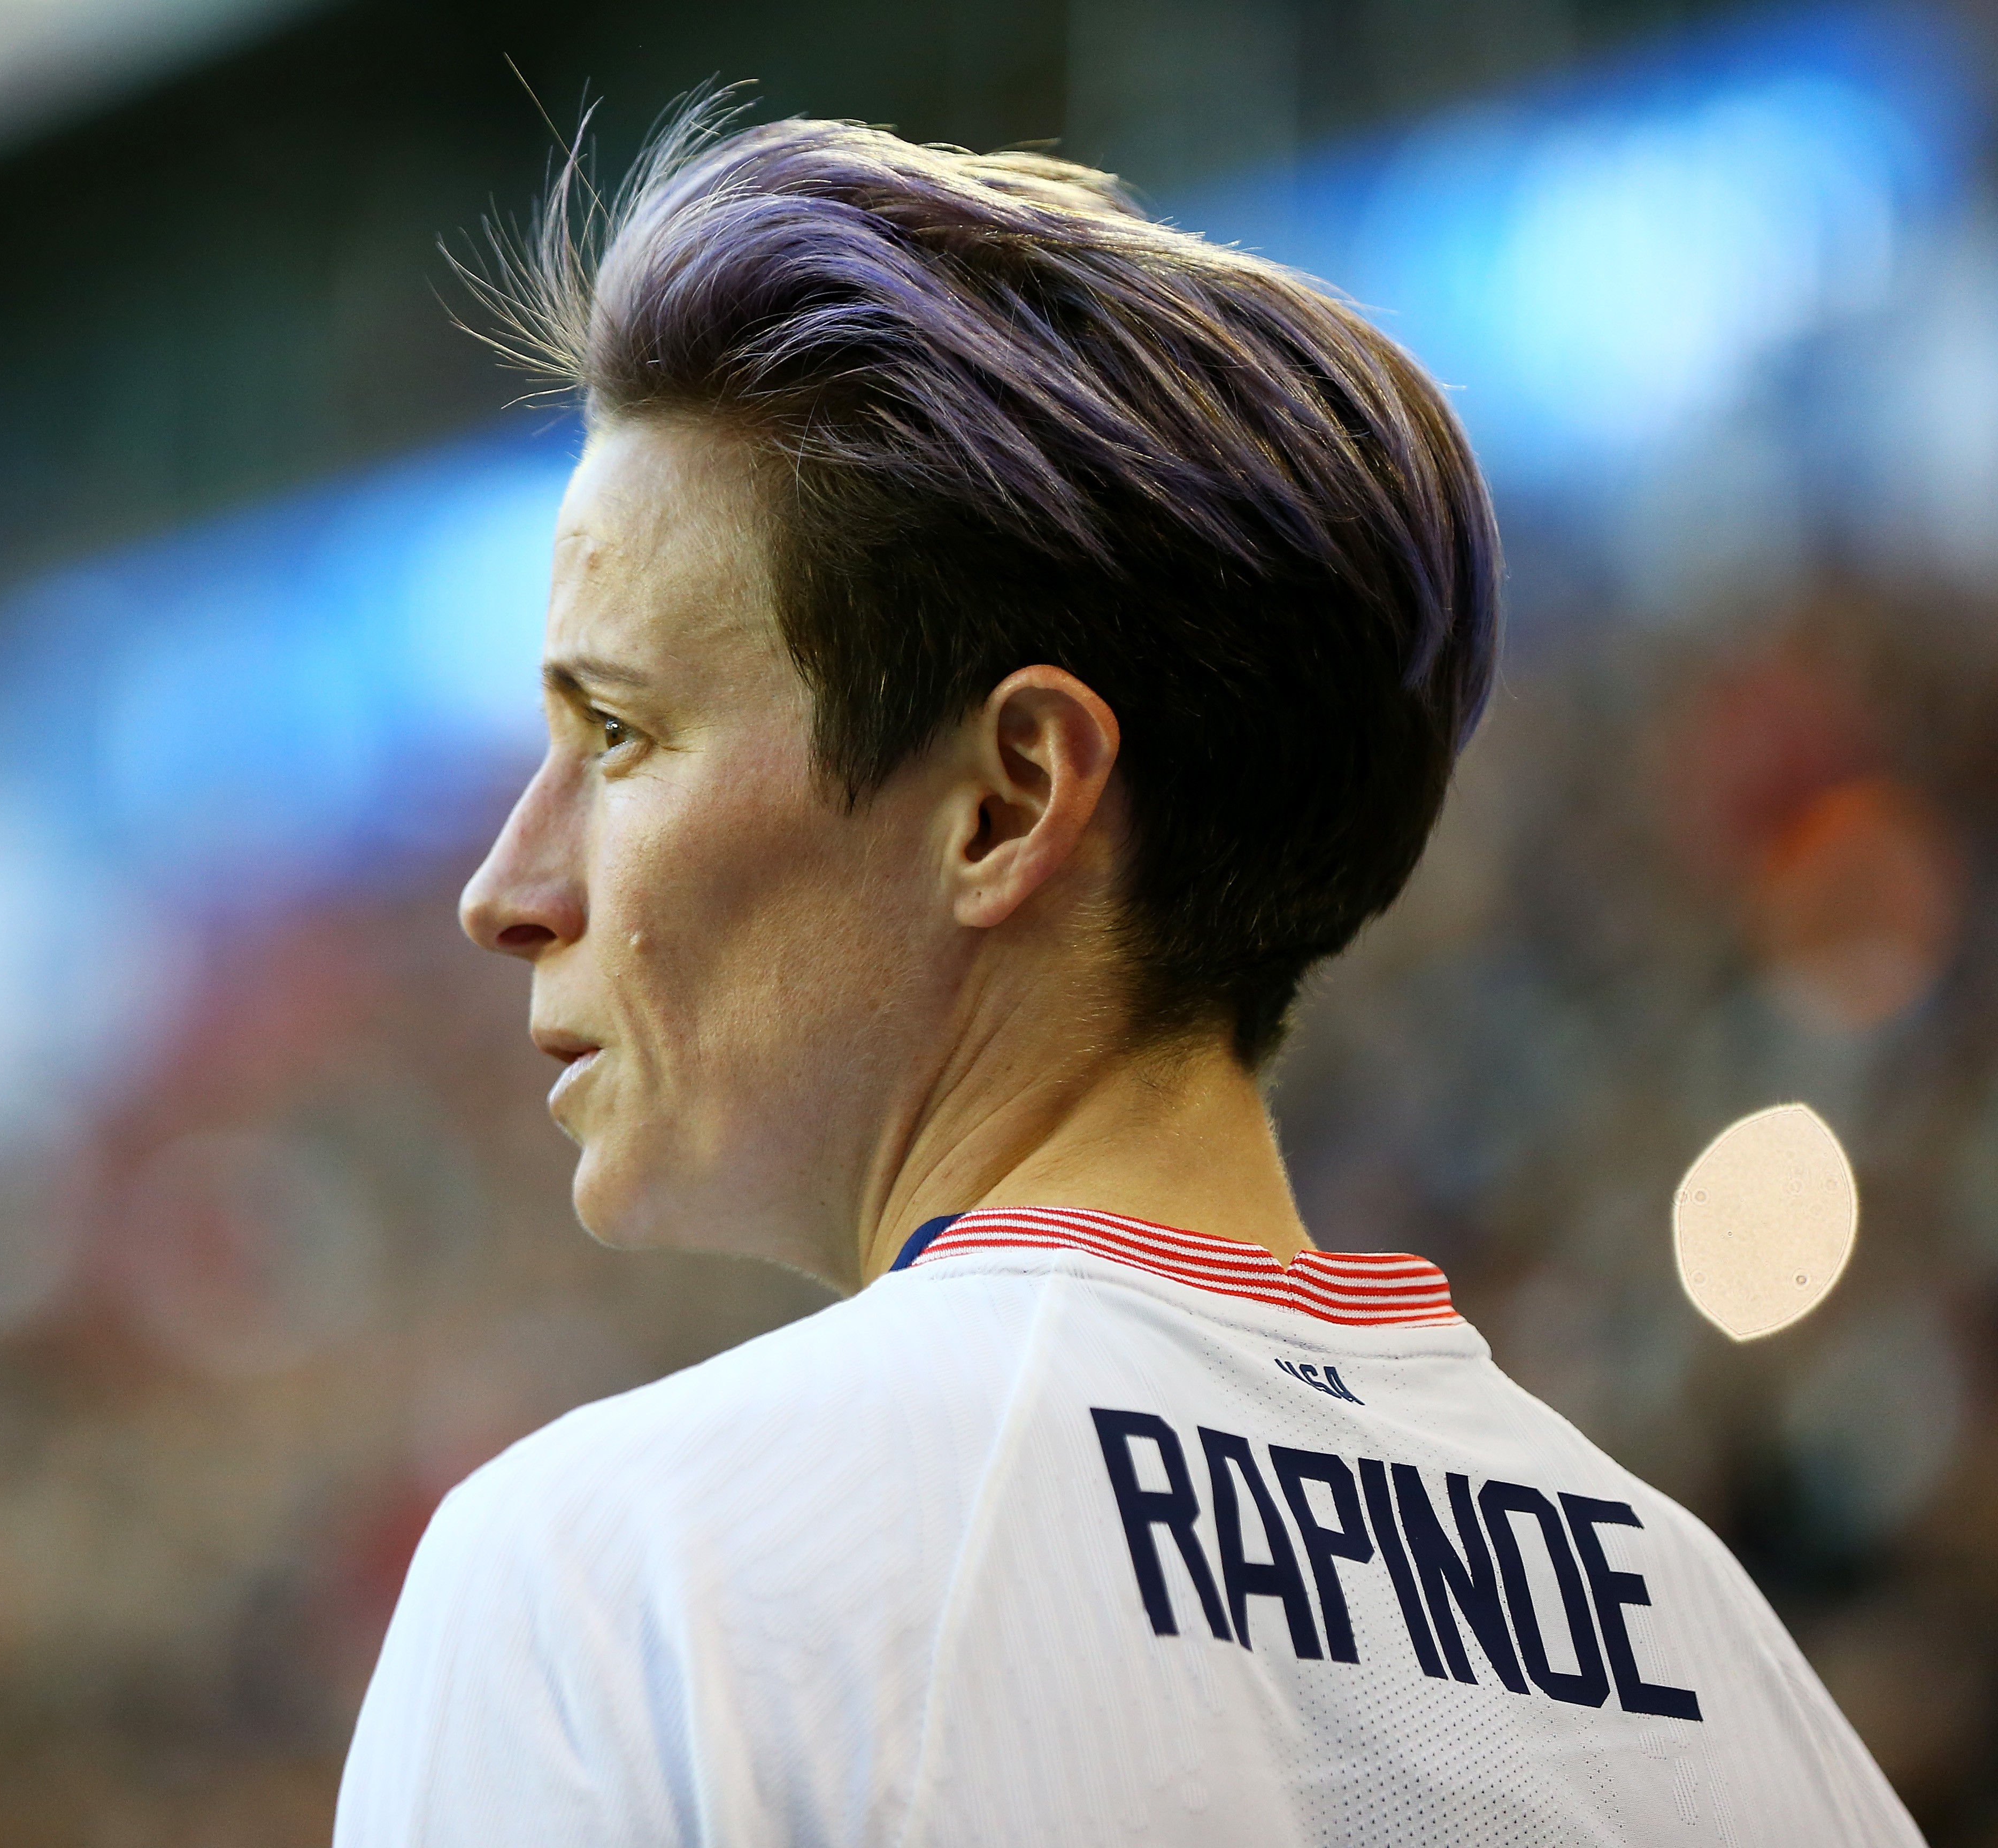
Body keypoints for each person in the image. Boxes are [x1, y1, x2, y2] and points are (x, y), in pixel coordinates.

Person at [334, 111, 1919, 1846]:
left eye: (619, 735)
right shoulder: (1726, 1661)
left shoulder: (613, 1579)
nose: (507, 887)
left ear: (1010, 800)